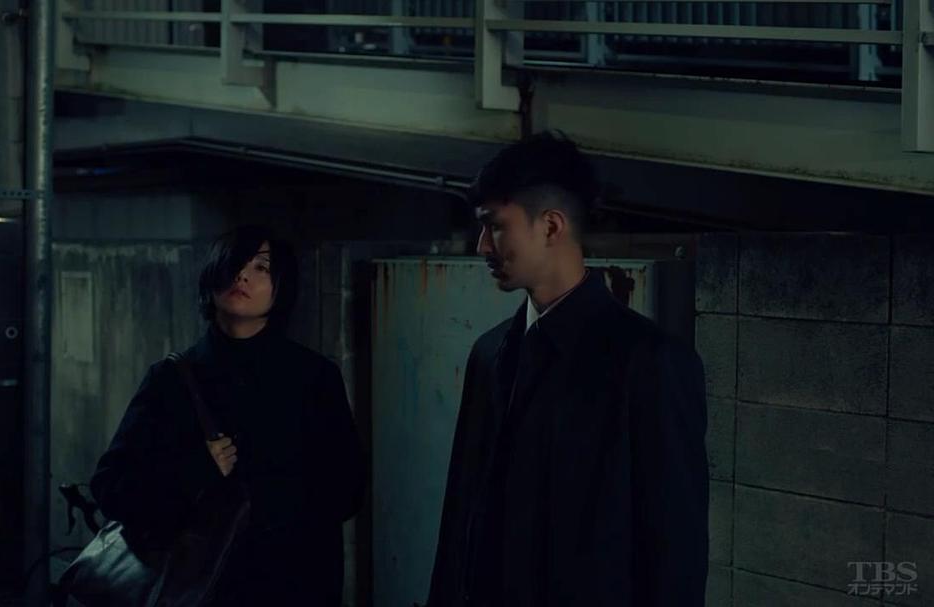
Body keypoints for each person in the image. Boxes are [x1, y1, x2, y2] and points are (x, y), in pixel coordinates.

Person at [427, 133, 709, 606]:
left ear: (551, 226)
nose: (482, 246)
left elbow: (675, 553)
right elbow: (460, 521)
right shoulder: (489, 353)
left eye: (495, 226)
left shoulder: (648, 361)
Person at [91, 224, 366, 606]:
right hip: (198, 588)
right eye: (235, 263)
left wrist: (280, 499)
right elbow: (110, 487)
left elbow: (348, 489)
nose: (242, 275)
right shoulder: (171, 380)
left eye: (261, 267)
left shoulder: (313, 377)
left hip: (293, 586)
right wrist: (194, 472)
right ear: (212, 277)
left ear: (282, 288)